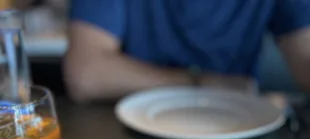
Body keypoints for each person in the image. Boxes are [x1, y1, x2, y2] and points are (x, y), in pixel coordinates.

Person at [64, 0, 310, 103]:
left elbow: (304, 56)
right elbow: (85, 74)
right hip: (131, 134)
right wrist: (202, 83)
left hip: (243, 131)